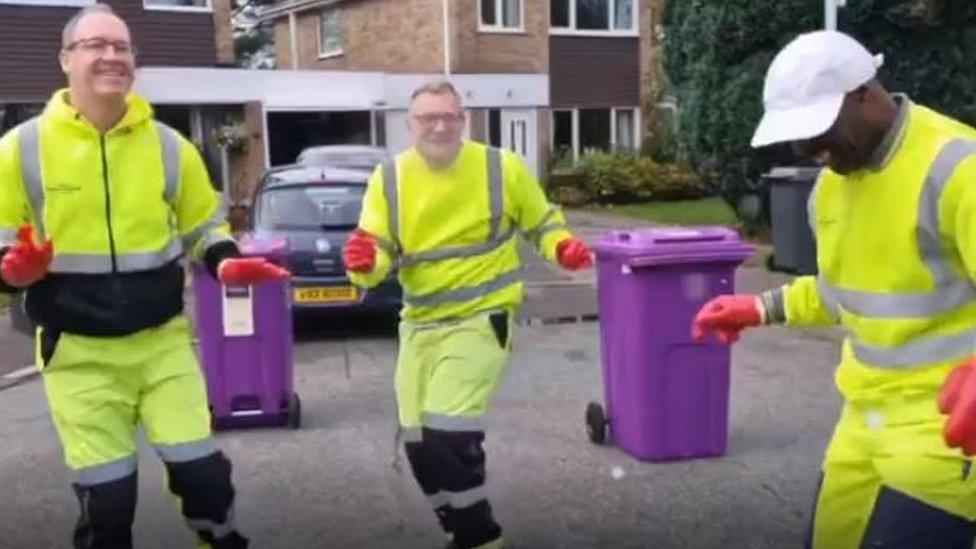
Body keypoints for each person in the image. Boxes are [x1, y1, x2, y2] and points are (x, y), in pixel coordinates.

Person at [0, 6, 289, 548]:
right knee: (109, 503)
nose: (112, 56)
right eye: (95, 45)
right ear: (66, 60)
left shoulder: (169, 147)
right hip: (79, 356)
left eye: (122, 46)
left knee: (203, 477)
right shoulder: (20, 150)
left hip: (162, 348)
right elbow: (3, 253)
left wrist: (224, 259)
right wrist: (13, 273)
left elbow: (204, 226)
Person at [692, 30, 976, 547]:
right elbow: (840, 293)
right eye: (797, 135)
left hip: (947, 433)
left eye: (818, 128)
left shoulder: (958, 168)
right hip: (860, 421)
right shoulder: (829, 190)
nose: (808, 148)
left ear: (865, 94)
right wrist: (758, 307)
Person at [343, 81, 593, 549]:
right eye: (427, 118)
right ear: (409, 125)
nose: (439, 126)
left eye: (449, 117)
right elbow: (374, 251)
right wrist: (362, 264)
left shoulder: (502, 168)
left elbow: (543, 223)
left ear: (464, 121)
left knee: (447, 433)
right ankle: (462, 531)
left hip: (482, 318)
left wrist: (563, 247)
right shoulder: (390, 178)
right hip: (419, 325)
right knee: (418, 443)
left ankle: (483, 538)